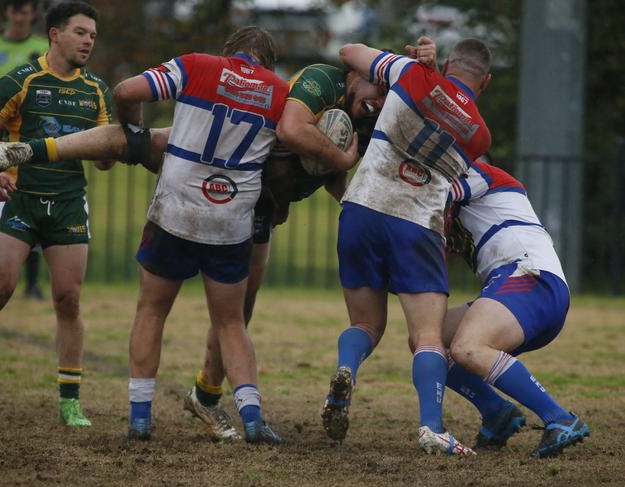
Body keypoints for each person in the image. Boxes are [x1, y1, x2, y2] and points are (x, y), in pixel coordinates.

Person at [0, 53, 397, 439]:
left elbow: (324, 171)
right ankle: (37, 149)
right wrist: (339, 162)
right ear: (355, 74)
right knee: (141, 141)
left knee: (241, 308)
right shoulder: (321, 81)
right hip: (239, 178)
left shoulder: (366, 120)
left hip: (258, 201)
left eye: (386, 95)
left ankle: (205, 395)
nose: (378, 101)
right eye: (375, 89)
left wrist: (355, 204)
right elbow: (294, 132)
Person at [110, 26, 292, 444]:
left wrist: (134, 130)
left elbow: (124, 91)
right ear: (268, 62)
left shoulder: (197, 66)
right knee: (230, 322)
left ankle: (140, 418)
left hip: (176, 208)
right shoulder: (280, 93)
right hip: (230, 221)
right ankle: (252, 418)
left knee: (152, 310)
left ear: (229, 51)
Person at [321, 38, 492, 455]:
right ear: (484, 82)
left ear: (448, 62)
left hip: (361, 209)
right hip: (416, 224)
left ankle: (346, 369)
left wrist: (409, 64)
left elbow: (348, 52)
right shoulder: (480, 134)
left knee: (366, 325)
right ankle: (431, 428)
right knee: (428, 337)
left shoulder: (411, 73)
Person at [0, 1, 113, 428]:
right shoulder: (22, 79)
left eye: (92, 33)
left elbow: (108, 156)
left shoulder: (97, 90)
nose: (88, 39)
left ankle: (70, 401)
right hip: (21, 198)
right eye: (80, 32)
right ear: (55, 34)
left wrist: (111, 151)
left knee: (68, 300)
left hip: (69, 203)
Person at [437, 157, 590, 458]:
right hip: (517, 287)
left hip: (530, 276)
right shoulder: (456, 215)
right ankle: (496, 412)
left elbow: (432, 194)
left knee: (468, 347)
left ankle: (560, 418)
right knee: (428, 338)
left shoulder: (484, 173)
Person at [0, 0, 48, 298]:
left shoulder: (44, 45)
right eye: (16, 8)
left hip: (31, 138)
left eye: (27, 9)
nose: (21, 15)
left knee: (33, 203)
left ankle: (31, 285)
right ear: (6, 12)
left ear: (33, 14)